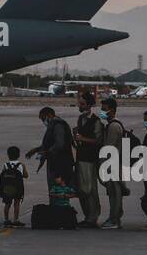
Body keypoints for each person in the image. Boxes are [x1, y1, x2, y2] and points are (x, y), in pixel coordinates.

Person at [72, 92, 104, 228]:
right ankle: (87, 216)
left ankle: (93, 217)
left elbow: (98, 140)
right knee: (82, 189)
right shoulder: (80, 119)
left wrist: (82, 138)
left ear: (89, 105)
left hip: (90, 159)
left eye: (82, 104)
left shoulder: (96, 121)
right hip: (81, 157)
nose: (80, 106)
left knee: (90, 189)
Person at [26, 106, 74, 194]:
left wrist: (46, 152)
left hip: (60, 163)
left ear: (49, 115)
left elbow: (59, 144)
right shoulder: (54, 125)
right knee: (55, 191)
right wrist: (36, 150)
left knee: (57, 192)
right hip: (56, 161)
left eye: (43, 118)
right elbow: (50, 143)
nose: (43, 121)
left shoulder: (58, 125)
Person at [98, 98, 127, 230]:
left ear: (112, 110)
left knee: (114, 193)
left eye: (104, 109)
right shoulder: (113, 125)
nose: (102, 112)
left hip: (113, 165)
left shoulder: (114, 126)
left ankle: (114, 219)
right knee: (115, 192)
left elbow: (108, 149)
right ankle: (115, 218)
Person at [0, 145, 28, 227]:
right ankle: (16, 219)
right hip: (18, 187)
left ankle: (6, 219)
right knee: (16, 203)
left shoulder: (6, 164)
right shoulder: (21, 164)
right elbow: (26, 175)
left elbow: (3, 174)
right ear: (18, 155)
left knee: (7, 204)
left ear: (8, 155)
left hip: (7, 187)